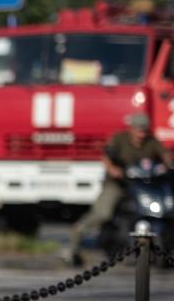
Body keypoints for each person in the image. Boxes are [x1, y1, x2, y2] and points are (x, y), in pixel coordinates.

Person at [65, 112, 171, 266]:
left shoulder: (152, 141)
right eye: (138, 130)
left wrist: (167, 162)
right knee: (104, 212)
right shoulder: (119, 139)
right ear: (132, 129)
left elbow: (164, 155)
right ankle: (78, 235)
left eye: (144, 130)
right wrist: (113, 169)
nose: (141, 134)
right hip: (119, 184)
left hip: (143, 185)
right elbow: (106, 156)